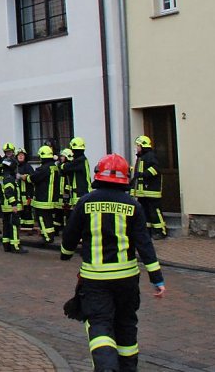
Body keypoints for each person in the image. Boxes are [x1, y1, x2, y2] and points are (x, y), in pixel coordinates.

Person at [61, 153, 166, 372]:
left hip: (95, 279)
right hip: (127, 279)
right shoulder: (133, 205)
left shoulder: (86, 201)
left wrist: (66, 253)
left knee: (99, 322)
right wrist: (157, 278)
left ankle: (107, 366)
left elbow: (70, 234)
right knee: (126, 323)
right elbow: (144, 244)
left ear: (98, 174)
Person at [132, 135, 166, 239]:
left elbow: (155, 169)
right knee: (145, 212)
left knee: (155, 211)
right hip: (142, 192)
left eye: (138, 145)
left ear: (142, 146)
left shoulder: (150, 156)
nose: (137, 148)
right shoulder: (141, 157)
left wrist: (144, 174)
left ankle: (161, 231)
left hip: (151, 191)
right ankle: (148, 231)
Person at [0, 143, 27, 253]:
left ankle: (6, 245)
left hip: (5, 205)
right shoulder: (9, 178)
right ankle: (15, 246)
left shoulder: (5, 175)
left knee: (6, 225)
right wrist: (14, 204)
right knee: (14, 225)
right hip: (11, 206)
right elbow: (9, 192)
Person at [31, 145, 59, 244]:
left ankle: (47, 237)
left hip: (43, 198)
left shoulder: (43, 168)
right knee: (48, 218)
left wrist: (24, 177)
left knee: (42, 218)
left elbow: (33, 178)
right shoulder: (54, 167)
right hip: (52, 198)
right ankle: (49, 235)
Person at [63, 137, 92, 221]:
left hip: (81, 193)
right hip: (82, 192)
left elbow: (66, 167)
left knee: (80, 217)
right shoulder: (81, 160)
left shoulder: (80, 160)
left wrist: (61, 165)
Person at [16, 148, 36, 230]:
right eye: (19, 155)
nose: (20, 156)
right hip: (18, 193)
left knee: (27, 210)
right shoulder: (15, 166)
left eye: (22, 155)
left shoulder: (28, 166)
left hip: (27, 193)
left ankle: (29, 227)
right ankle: (22, 227)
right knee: (20, 211)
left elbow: (32, 178)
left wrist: (21, 177)